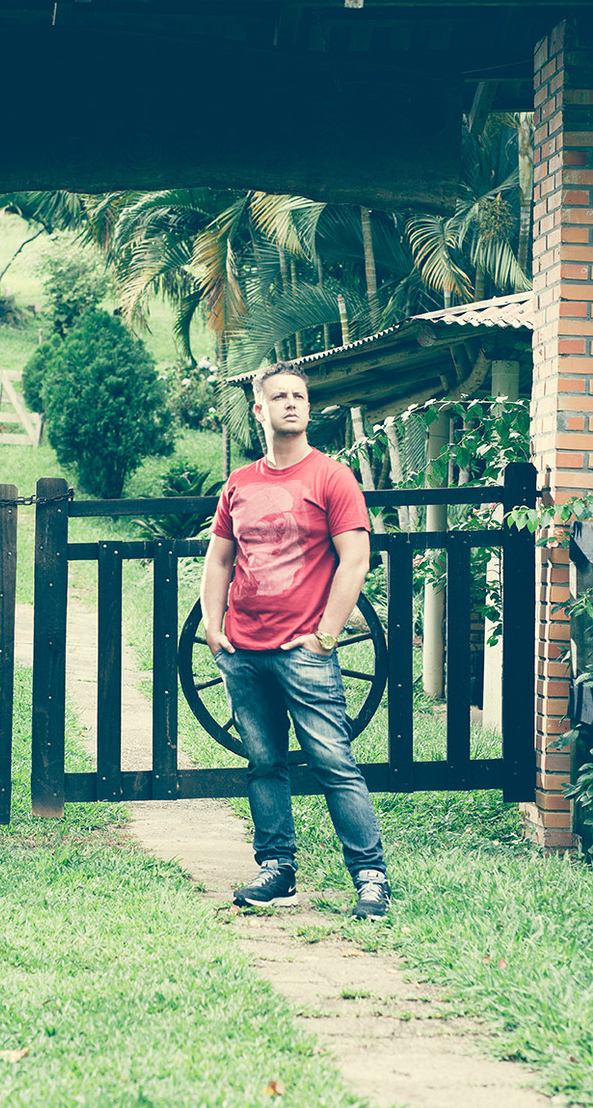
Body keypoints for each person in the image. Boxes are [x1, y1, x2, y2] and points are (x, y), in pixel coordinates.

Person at [200, 361, 390, 919]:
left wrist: (326, 637)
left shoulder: (331, 477)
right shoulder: (240, 483)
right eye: (279, 396)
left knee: (333, 762)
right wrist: (214, 626)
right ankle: (277, 869)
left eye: (299, 397)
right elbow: (219, 558)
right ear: (259, 410)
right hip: (244, 652)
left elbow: (355, 561)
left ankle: (370, 877)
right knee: (263, 763)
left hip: (304, 653)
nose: (291, 404)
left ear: (309, 409)